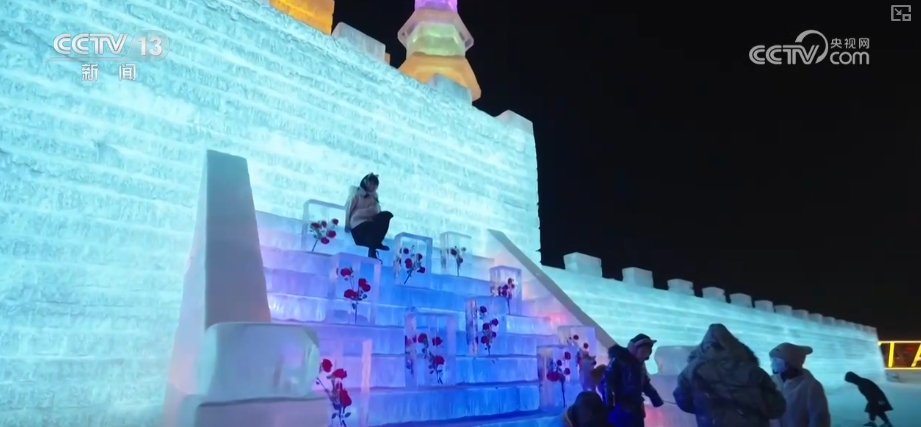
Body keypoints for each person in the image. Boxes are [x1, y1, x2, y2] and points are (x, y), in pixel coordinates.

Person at [673, 323, 786, 427]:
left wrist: (705, 411)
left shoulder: (691, 371)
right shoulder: (753, 371)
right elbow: (776, 407)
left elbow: (684, 402)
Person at [600, 334, 664, 427]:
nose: (646, 355)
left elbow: (645, 383)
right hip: (621, 408)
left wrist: (655, 398)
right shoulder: (619, 361)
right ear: (634, 349)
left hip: (635, 408)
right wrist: (610, 404)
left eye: (648, 352)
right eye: (644, 351)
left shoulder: (639, 365)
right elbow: (608, 383)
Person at [769, 342, 831, 427]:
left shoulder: (811, 387)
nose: (773, 364)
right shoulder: (770, 381)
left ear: (791, 363)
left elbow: (819, 420)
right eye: (772, 360)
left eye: (777, 360)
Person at [345, 173, 393, 259]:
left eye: (375, 184)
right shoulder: (357, 195)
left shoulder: (374, 197)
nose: (373, 185)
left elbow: (377, 211)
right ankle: (372, 250)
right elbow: (349, 209)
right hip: (359, 227)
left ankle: (375, 244)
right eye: (371, 183)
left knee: (385, 216)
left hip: (370, 225)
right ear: (365, 182)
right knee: (371, 227)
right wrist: (347, 224)